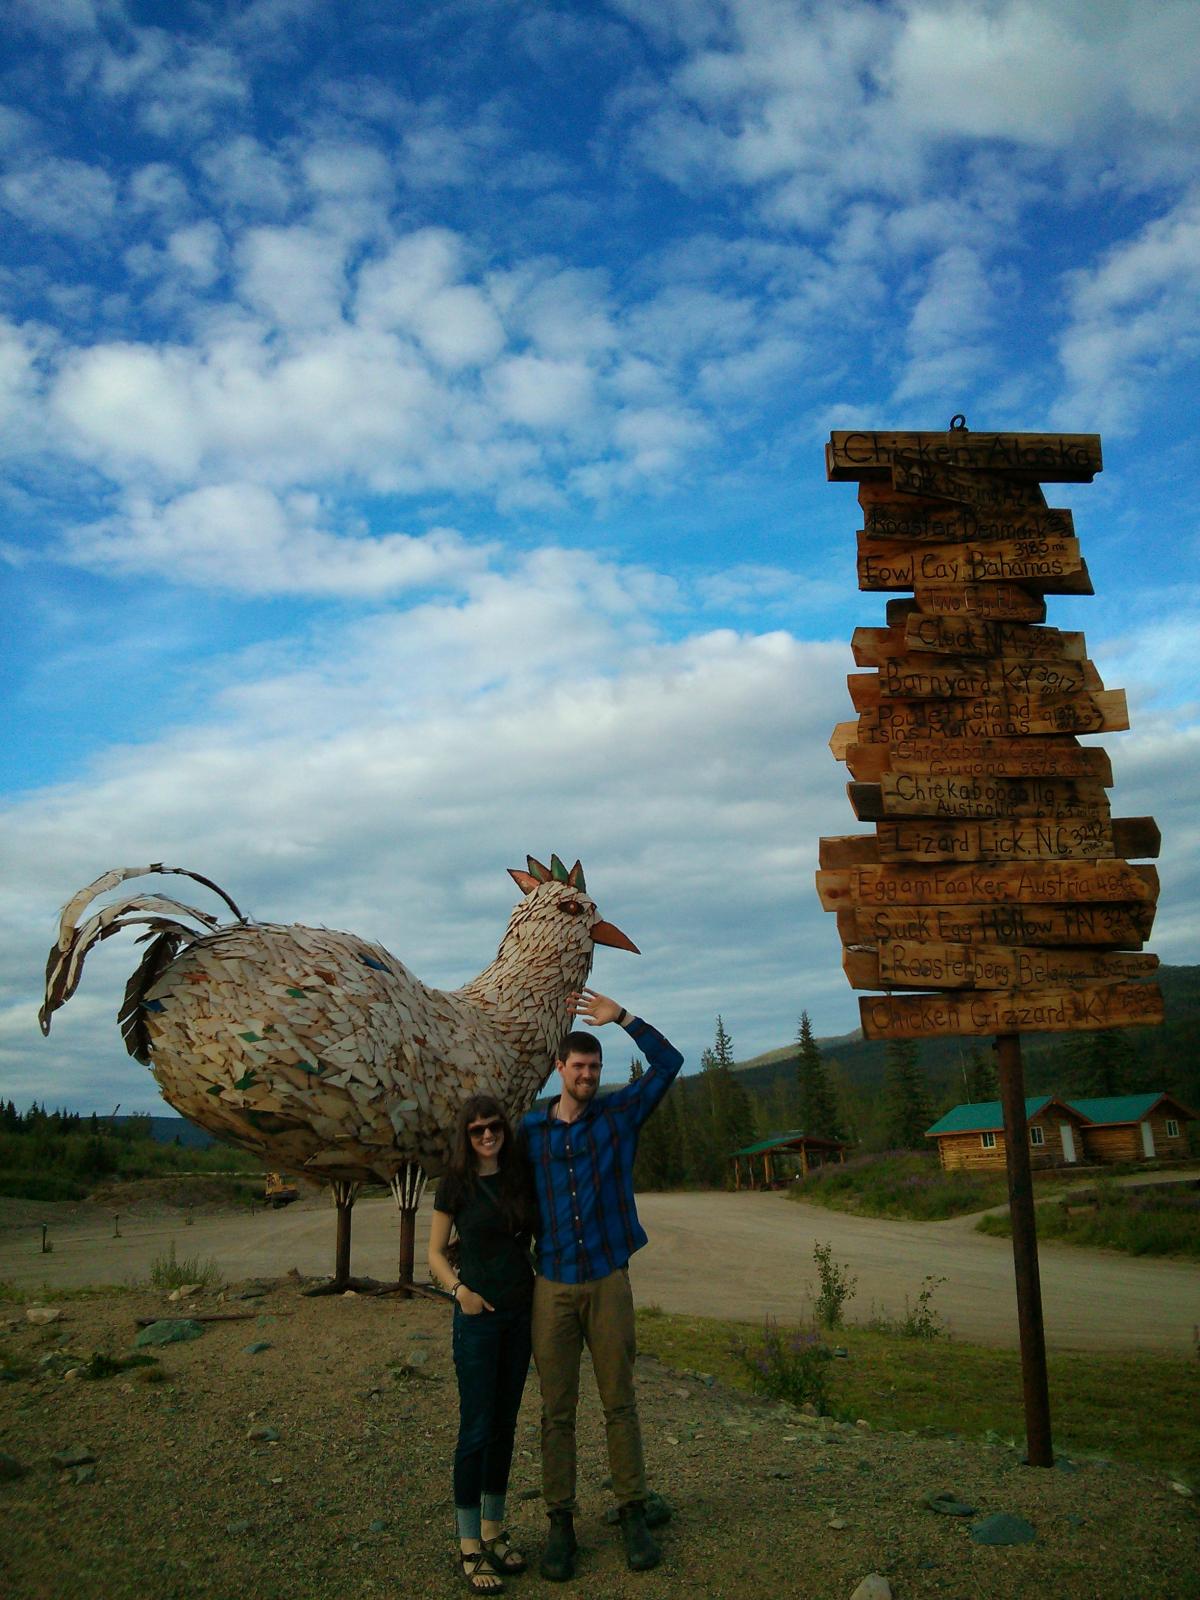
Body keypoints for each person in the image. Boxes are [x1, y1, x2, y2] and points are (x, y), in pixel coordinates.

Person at [520, 986, 684, 1581]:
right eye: (578, 1066)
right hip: (553, 1285)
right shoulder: (530, 1131)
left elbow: (670, 1064)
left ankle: (632, 1512)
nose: (587, 1074)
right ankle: (559, 1523)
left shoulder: (619, 1116)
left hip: (609, 1280)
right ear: (559, 1069)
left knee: (620, 1402)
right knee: (556, 1410)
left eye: (594, 1066)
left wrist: (624, 1018)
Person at [429, 1094, 536, 1594]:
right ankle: (469, 1542)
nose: (488, 1135)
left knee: (505, 1424)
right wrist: (459, 1292)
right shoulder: (454, 1185)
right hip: (477, 1319)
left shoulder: (518, 1177)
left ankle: (494, 1527)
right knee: (475, 1427)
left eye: (494, 1127)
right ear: (465, 1136)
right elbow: (433, 1252)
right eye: (477, 1130)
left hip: (520, 1314)